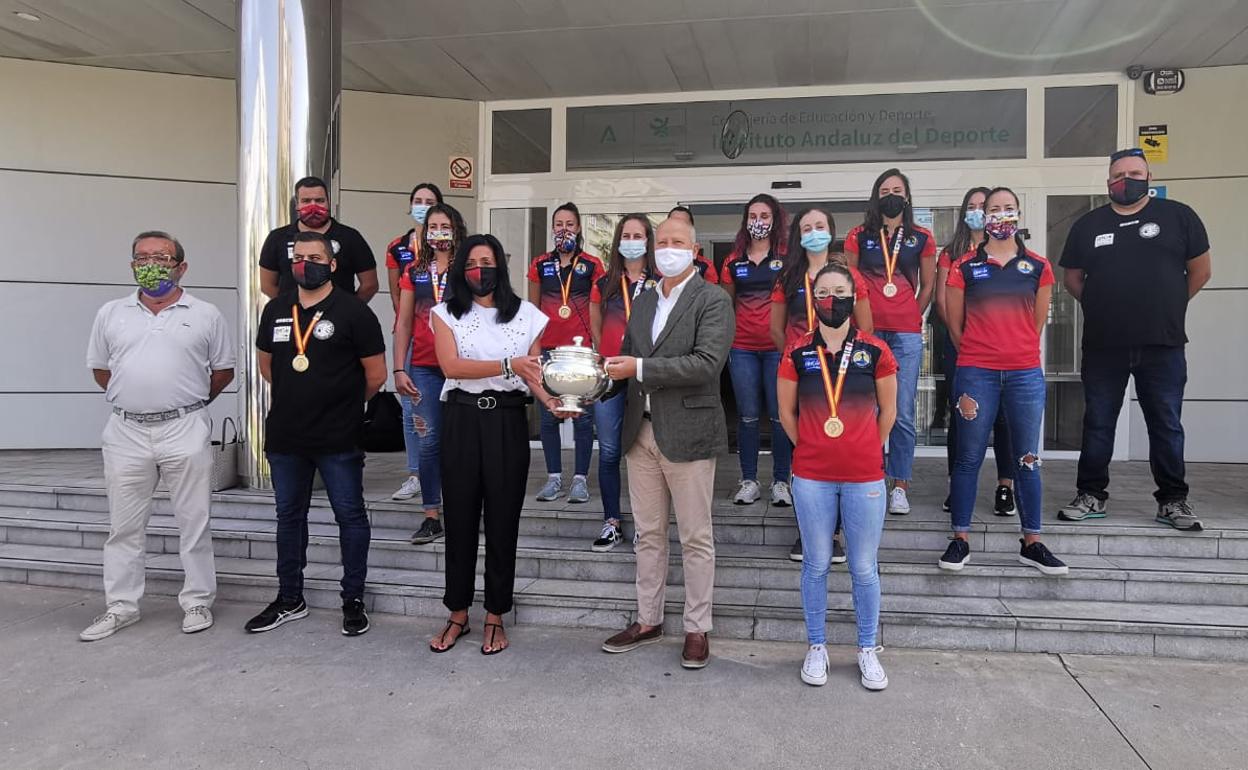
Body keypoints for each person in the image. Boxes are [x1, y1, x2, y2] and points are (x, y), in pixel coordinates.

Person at [80, 231, 235, 642]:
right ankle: (121, 606)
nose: (151, 264)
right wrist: (137, 397)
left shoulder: (205, 314)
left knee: (194, 521)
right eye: (142, 257)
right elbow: (101, 369)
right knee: (124, 526)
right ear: (132, 265)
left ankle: (197, 600)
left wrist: (185, 401)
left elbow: (223, 370)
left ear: (181, 267)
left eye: (162, 257)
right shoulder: (111, 313)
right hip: (126, 430)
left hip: (184, 427)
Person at [600, 215, 733, 670]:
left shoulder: (712, 299)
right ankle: (648, 619)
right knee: (648, 535)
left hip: (688, 433)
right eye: (663, 242)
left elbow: (706, 363)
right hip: (641, 433)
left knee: (695, 537)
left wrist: (637, 368)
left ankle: (697, 627)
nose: (668, 249)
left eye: (678, 242)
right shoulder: (644, 300)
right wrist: (582, 391)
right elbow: (623, 363)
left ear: (695, 250)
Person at [1058, 148, 1213, 531]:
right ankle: (1091, 494)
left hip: (1162, 343)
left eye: (1134, 173)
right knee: (1097, 422)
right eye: (1118, 175)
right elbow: (1072, 279)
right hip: (1104, 344)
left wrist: (1168, 305)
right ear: (1108, 181)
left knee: (1165, 424)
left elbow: (1201, 271)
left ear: (1148, 177)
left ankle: (1173, 501)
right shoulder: (1088, 225)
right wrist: (1103, 305)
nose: (1126, 180)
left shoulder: (1178, 216)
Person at [246, 231, 388, 636]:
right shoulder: (276, 309)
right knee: (289, 518)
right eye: (299, 258)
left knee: (350, 516)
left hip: (338, 437)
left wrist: (340, 403)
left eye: (314, 258)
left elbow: (376, 375)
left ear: (332, 264)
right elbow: (267, 366)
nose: (305, 264)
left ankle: (353, 598)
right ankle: (289, 597)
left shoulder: (355, 312)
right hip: (286, 435)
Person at [428, 234, 562, 656]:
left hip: (506, 421)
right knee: (460, 519)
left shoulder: (526, 315)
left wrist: (554, 403)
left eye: (486, 263)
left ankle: (495, 615)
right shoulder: (445, 313)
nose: (478, 271)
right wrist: (508, 363)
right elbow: (451, 366)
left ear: (500, 267)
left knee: (504, 521)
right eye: (471, 263)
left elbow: (533, 372)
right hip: (462, 419)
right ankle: (457, 612)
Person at [777, 262, 897, 691]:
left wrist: (865, 447)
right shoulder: (797, 352)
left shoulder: (876, 351)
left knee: (864, 567)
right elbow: (786, 413)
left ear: (852, 298)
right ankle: (817, 646)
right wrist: (811, 446)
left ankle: (866, 648)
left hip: (865, 477)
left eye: (840, 293)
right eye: (824, 293)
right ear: (814, 300)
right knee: (816, 564)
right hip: (812, 476)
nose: (832, 300)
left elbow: (890, 412)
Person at [940, 187, 1067, 576]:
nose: (1000, 214)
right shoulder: (964, 266)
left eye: (1007, 208)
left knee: (1027, 458)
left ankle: (1032, 542)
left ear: (1018, 214)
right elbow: (955, 324)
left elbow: (1036, 322)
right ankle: (960, 539)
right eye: (993, 209)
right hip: (975, 372)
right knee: (968, 457)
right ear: (983, 218)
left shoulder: (1039, 266)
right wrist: (982, 352)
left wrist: (1012, 351)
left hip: (1024, 374)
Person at [771, 207, 872, 562]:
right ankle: (808, 531)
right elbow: (776, 328)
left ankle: (836, 533)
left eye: (820, 226)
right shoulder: (788, 277)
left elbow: (866, 327)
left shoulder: (850, 276)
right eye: (806, 227)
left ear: (830, 230)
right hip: (804, 373)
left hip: (845, 373)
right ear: (798, 236)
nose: (814, 232)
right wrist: (795, 360)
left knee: (841, 449)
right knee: (803, 452)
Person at [845, 168, 937, 515]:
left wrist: (913, 314)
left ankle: (899, 485)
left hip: (905, 334)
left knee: (902, 412)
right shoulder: (858, 235)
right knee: (866, 409)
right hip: (867, 332)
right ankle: (869, 476)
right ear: (876, 197)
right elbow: (851, 282)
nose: (891, 195)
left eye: (897, 190)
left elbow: (928, 285)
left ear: (907, 197)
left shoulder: (922, 237)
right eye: (884, 191)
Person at [934, 187, 1017, 517]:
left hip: (1000, 348)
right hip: (961, 346)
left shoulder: (1010, 251)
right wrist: (961, 340)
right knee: (961, 415)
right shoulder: (951, 252)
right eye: (972, 206)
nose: (978, 212)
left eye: (984, 206)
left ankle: (1005, 486)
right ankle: (957, 485)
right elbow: (942, 301)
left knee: (1003, 417)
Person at [392, 203, 467, 544]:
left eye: (445, 225)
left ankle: (465, 509)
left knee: (463, 441)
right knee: (429, 440)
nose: (439, 232)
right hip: (423, 367)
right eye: (433, 226)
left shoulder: (468, 268)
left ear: (456, 228)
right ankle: (431, 515)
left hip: (463, 367)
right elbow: (404, 323)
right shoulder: (415, 271)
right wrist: (399, 368)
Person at [528, 202, 607, 504]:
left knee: (582, 419)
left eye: (569, 224)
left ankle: (579, 480)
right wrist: (534, 351)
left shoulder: (592, 265)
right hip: (549, 352)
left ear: (579, 228)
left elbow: (598, 311)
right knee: (550, 418)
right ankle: (553, 478)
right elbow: (533, 312)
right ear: (552, 228)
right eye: (559, 224)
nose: (564, 229)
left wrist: (599, 350)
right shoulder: (539, 265)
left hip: (580, 353)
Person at [588, 214, 657, 552]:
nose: (631, 241)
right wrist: (607, 357)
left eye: (637, 235)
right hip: (612, 373)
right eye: (625, 236)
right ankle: (612, 522)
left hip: (645, 373)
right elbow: (596, 327)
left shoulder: (660, 281)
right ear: (617, 242)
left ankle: (647, 526)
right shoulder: (604, 283)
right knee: (610, 451)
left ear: (648, 241)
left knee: (646, 451)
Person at [720, 193, 792, 506]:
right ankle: (748, 480)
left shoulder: (788, 256)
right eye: (753, 216)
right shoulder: (733, 260)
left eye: (764, 216)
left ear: (775, 219)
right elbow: (725, 305)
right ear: (745, 221)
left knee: (779, 417)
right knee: (748, 417)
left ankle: (781, 482)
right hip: (742, 349)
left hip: (778, 348)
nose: (758, 222)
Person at [258, 176, 379, 301]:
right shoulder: (277, 238)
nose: (313, 207)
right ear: (297, 204)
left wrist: (350, 308)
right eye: (306, 201)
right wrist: (285, 306)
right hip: (293, 312)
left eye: (319, 200)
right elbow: (267, 285)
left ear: (328, 202)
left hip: (339, 312)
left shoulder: (350, 237)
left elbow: (370, 285)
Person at [384, 183, 444, 313]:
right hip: (411, 319)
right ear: (411, 205)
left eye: (429, 203)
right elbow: (395, 295)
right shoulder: (396, 247)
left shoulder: (448, 246)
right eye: (418, 202)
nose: (423, 206)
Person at [668, 206, 718, 284]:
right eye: (674, 224)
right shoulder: (655, 263)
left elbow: (713, 291)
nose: (678, 228)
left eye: (683, 224)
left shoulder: (705, 266)